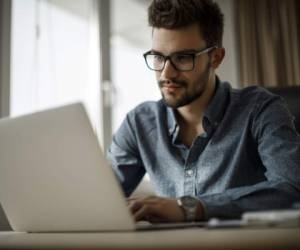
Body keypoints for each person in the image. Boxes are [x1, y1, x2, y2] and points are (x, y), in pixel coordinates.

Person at [108, 0, 300, 223]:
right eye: (159, 57)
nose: (166, 73)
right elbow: (97, 198)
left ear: (216, 58)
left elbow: (292, 186)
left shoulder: (261, 110)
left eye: (182, 58)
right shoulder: (139, 123)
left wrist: (189, 207)